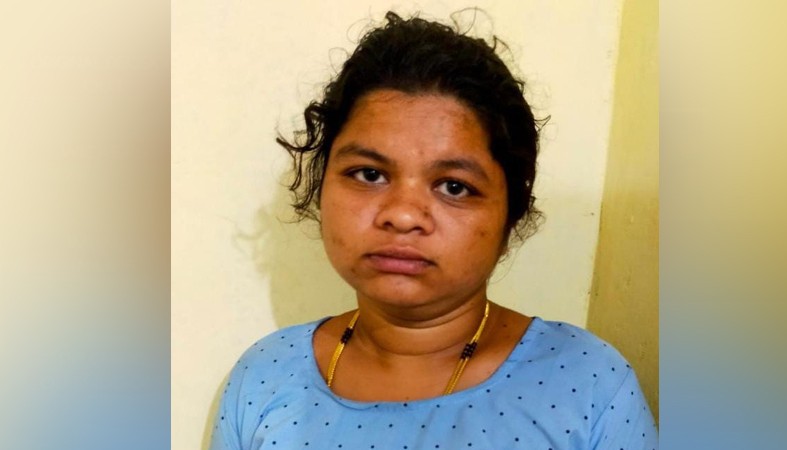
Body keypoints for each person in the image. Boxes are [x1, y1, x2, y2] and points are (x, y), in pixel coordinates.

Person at [210, 11, 657, 450]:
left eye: (454, 187)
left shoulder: (589, 386)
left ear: (510, 216)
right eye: (369, 174)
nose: (403, 216)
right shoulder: (265, 376)